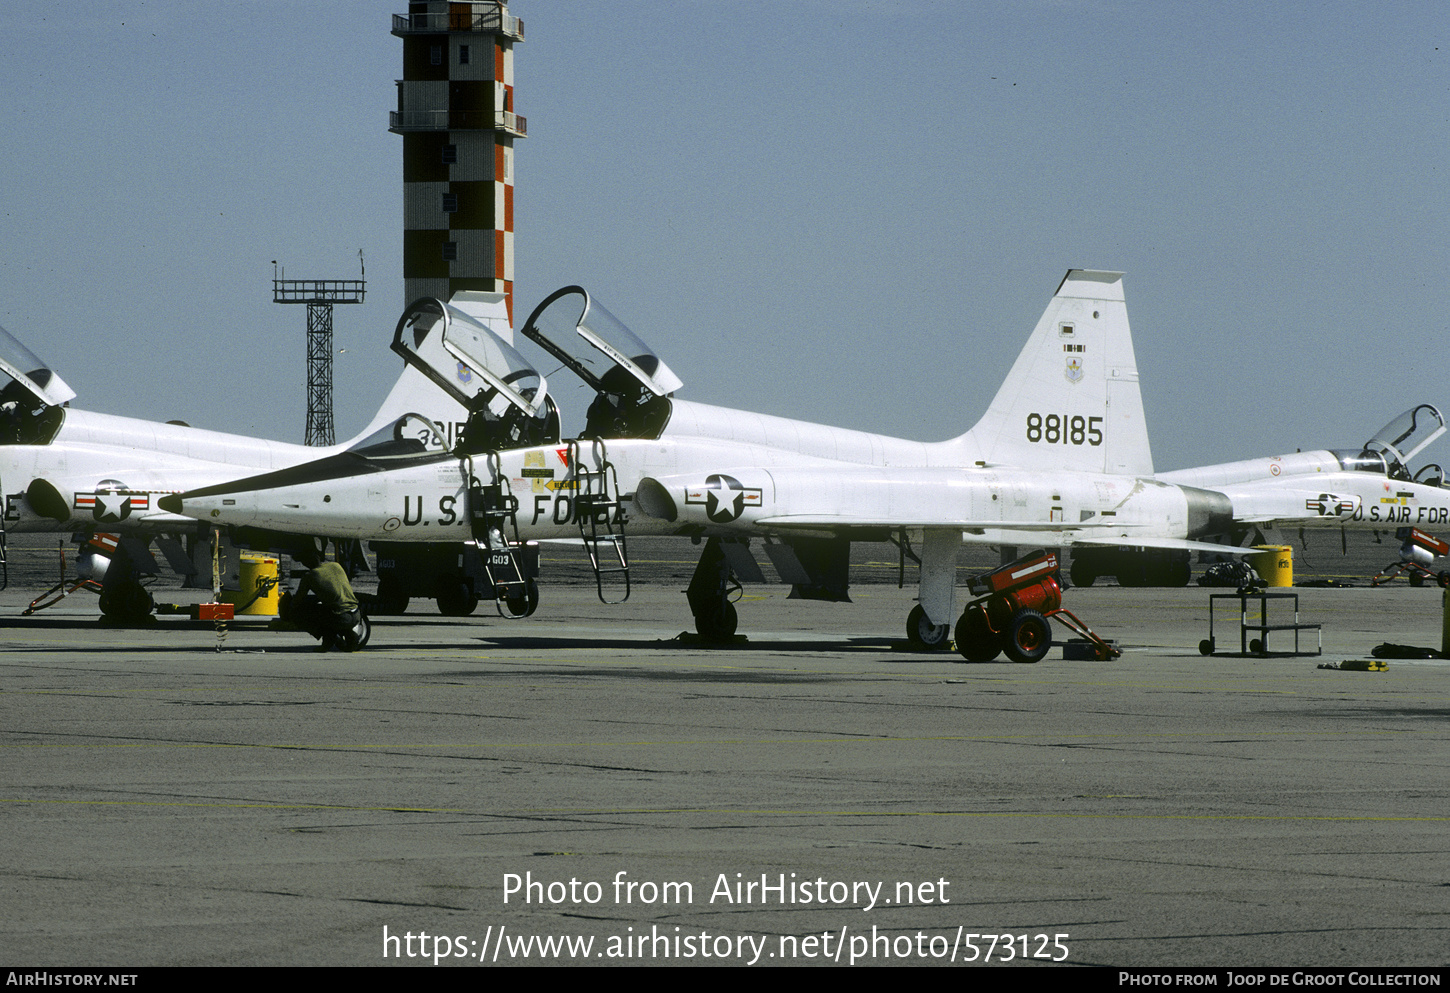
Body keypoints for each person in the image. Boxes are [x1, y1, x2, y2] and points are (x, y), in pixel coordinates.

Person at [285, 546, 367, 651]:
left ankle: (330, 639)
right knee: (329, 610)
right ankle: (349, 634)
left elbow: (298, 600)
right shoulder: (335, 565)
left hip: (340, 617)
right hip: (356, 613)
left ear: (305, 563)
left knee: (297, 613)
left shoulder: (310, 576)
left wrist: (289, 605)